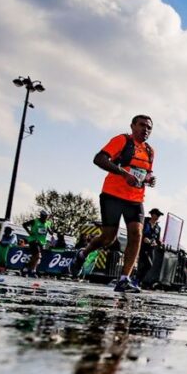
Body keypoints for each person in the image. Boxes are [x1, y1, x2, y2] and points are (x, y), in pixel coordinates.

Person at [70, 115, 157, 293]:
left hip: (135, 198)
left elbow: (145, 173)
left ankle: (124, 278)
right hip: (113, 195)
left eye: (149, 127)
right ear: (132, 126)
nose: (145, 129)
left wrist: (149, 178)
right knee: (108, 237)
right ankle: (82, 254)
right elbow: (99, 159)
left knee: (136, 234)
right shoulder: (122, 140)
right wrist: (123, 173)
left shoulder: (150, 150)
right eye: (141, 125)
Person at [21, 210, 53, 277]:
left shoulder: (48, 223)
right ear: (41, 216)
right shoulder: (34, 221)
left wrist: (50, 231)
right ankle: (33, 270)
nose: (44, 218)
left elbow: (49, 230)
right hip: (33, 240)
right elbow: (24, 225)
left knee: (35, 257)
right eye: (43, 217)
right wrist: (29, 232)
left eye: (46, 217)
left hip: (41, 242)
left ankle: (26, 268)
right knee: (38, 255)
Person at [137, 208, 163, 285]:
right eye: (157, 214)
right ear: (152, 214)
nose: (158, 217)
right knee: (146, 264)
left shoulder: (158, 228)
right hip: (142, 246)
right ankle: (136, 280)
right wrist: (143, 238)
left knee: (149, 265)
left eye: (159, 215)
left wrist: (159, 243)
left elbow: (158, 239)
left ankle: (137, 280)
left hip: (151, 248)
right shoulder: (144, 223)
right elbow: (138, 232)